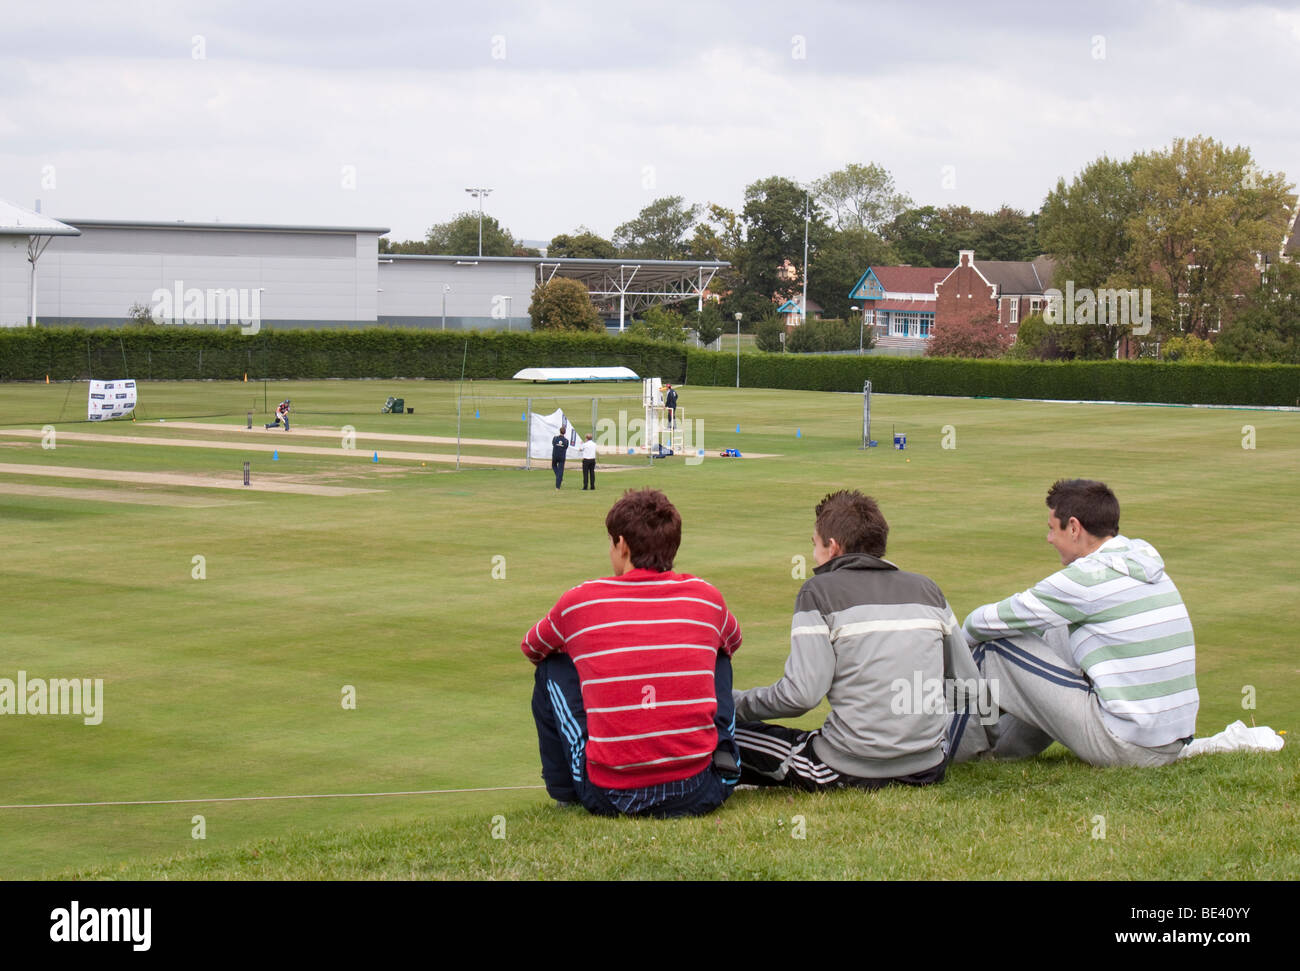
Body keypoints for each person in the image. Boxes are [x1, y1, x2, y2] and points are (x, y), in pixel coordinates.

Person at [733, 490, 982, 791]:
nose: (814, 556)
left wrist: (731, 702)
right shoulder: (928, 590)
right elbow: (969, 687)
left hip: (849, 767)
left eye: (815, 545)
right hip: (928, 765)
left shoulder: (818, 592)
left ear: (833, 547)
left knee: (721, 731)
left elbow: (801, 696)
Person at [522, 488, 742, 817]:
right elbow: (733, 642)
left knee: (552, 666)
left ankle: (564, 792)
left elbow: (533, 647)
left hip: (609, 795)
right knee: (719, 652)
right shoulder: (706, 596)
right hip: (701, 790)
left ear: (622, 545)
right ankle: (722, 752)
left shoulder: (581, 600)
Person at [948, 479, 1197, 767]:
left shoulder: (1089, 577)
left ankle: (951, 753)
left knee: (993, 650)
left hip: (1129, 747)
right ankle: (1000, 749)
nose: (1049, 538)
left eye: (1053, 528)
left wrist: (959, 648)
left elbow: (985, 621)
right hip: (1169, 742)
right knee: (1054, 631)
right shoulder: (1142, 562)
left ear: (1075, 528)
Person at [550, 424, 569, 489]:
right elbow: (566, 447)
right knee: (560, 471)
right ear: (565, 432)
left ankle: (559, 477)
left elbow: (553, 444)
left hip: (555, 455)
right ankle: (558, 486)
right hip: (562, 457)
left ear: (559, 431)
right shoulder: (566, 440)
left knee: (553, 466)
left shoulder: (555, 438)